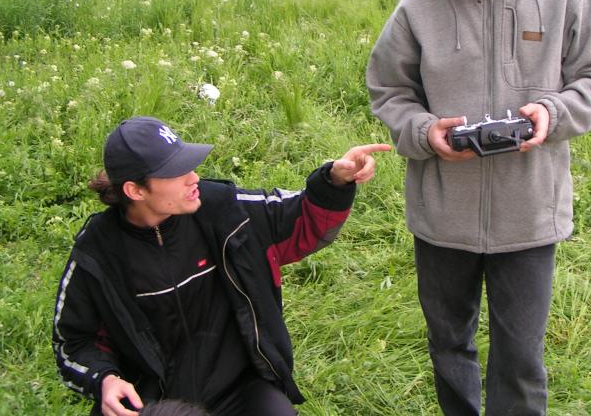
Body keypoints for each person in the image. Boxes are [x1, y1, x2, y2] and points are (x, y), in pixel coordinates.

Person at [366, 0, 591, 415]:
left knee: (521, 355)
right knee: (448, 344)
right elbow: (389, 90)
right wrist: (425, 132)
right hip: (443, 215)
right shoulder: (418, 5)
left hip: (528, 212)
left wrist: (553, 112)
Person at [52, 116, 390, 416]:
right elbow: (73, 341)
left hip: (239, 388)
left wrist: (335, 180)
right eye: (176, 172)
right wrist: (104, 380)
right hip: (156, 402)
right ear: (135, 190)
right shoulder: (98, 252)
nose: (194, 177)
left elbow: (298, 217)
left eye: (189, 165)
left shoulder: (223, 210)